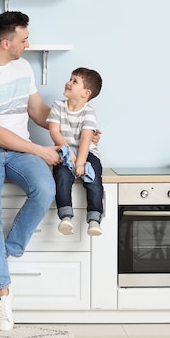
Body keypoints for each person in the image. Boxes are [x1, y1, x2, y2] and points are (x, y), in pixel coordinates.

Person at [0, 11, 99, 331]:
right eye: (23, 39)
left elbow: (38, 111)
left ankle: (3, 254)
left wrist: (78, 124)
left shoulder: (23, 66)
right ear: (5, 42)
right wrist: (39, 150)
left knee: (45, 190)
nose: (28, 44)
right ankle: (2, 297)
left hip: (20, 149)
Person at [47, 67, 104, 237]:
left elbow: (86, 139)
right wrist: (68, 152)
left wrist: (80, 162)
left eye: (74, 81)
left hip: (88, 152)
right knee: (62, 177)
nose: (68, 83)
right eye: (70, 79)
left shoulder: (89, 112)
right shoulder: (57, 106)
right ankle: (65, 216)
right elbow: (54, 132)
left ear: (85, 93)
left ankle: (94, 219)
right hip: (65, 151)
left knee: (94, 181)